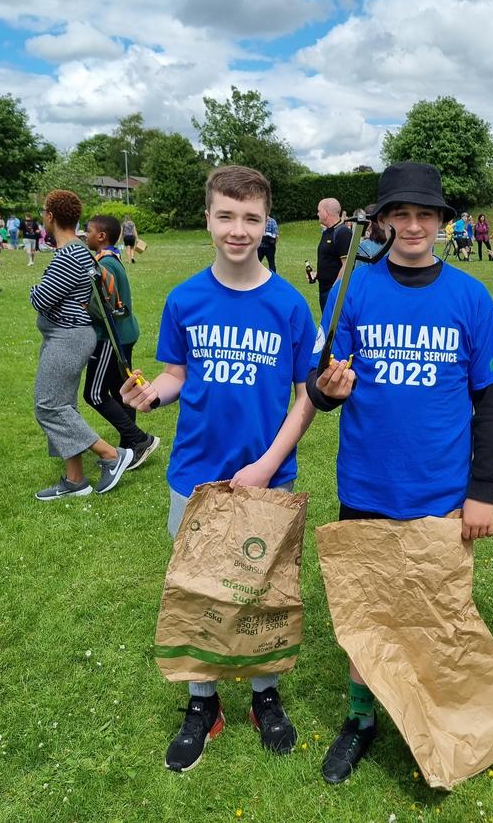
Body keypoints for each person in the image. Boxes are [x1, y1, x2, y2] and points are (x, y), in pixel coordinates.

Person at [307, 161, 493, 784]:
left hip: (442, 490)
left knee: (436, 609)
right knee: (365, 611)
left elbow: (491, 399)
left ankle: (438, 716)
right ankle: (361, 720)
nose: (414, 225)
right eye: (402, 214)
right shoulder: (354, 288)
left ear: (443, 223)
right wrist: (331, 388)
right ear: (385, 221)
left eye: (427, 214)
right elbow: (323, 378)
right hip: (367, 481)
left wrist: (482, 491)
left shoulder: (470, 297)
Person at [120, 165, 317, 772]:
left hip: (265, 479)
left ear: (267, 223)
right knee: (198, 590)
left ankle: (264, 696)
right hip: (194, 476)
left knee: (259, 592)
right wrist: (153, 393)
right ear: (208, 219)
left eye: (251, 218)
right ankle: (202, 704)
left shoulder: (288, 303)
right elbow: (178, 373)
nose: (238, 230)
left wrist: (267, 463)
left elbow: (307, 394)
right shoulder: (185, 299)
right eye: (226, 216)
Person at [30, 190, 134, 501]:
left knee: (48, 406)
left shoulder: (69, 255)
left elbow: (40, 298)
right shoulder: (76, 251)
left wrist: (34, 288)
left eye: (44, 213)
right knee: (63, 405)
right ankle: (75, 480)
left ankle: (111, 455)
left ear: (50, 216)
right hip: (69, 335)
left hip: (67, 336)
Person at [82, 215, 160, 469]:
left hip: (110, 337)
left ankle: (139, 440)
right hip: (124, 333)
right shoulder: (114, 258)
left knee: (94, 394)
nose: (86, 235)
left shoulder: (104, 263)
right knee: (119, 389)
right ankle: (130, 447)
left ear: (101, 236)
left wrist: (80, 307)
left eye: (89, 231)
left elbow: (104, 305)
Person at [315, 198, 352, 313]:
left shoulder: (342, 232)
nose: (317, 214)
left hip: (334, 292)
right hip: (324, 289)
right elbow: (329, 259)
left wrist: (334, 290)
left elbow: (347, 265)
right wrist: (317, 274)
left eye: (319, 211)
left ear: (326, 213)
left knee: (335, 329)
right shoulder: (327, 232)